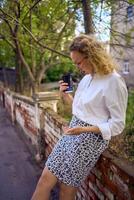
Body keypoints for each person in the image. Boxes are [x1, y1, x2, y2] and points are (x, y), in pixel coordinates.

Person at [31, 34, 128, 200]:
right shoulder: (86, 78)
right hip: (73, 130)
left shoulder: (114, 81)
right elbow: (81, 109)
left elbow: (118, 125)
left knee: (66, 189)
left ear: (92, 56)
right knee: (45, 179)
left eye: (79, 62)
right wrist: (66, 96)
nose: (77, 67)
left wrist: (84, 129)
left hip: (90, 139)